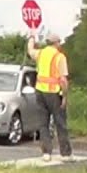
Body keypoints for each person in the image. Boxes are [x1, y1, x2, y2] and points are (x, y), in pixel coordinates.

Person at [26, 32, 72, 162]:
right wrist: (65, 96)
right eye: (59, 42)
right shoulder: (60, 57)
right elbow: (63, 79)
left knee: (43, 124)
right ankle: (66, 154)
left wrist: (31, 37)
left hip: (40, 92)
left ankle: (46, 153)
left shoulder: (40, 54)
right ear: (56, 43)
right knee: (61, 124)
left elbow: (30, 50)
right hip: (54, 94)